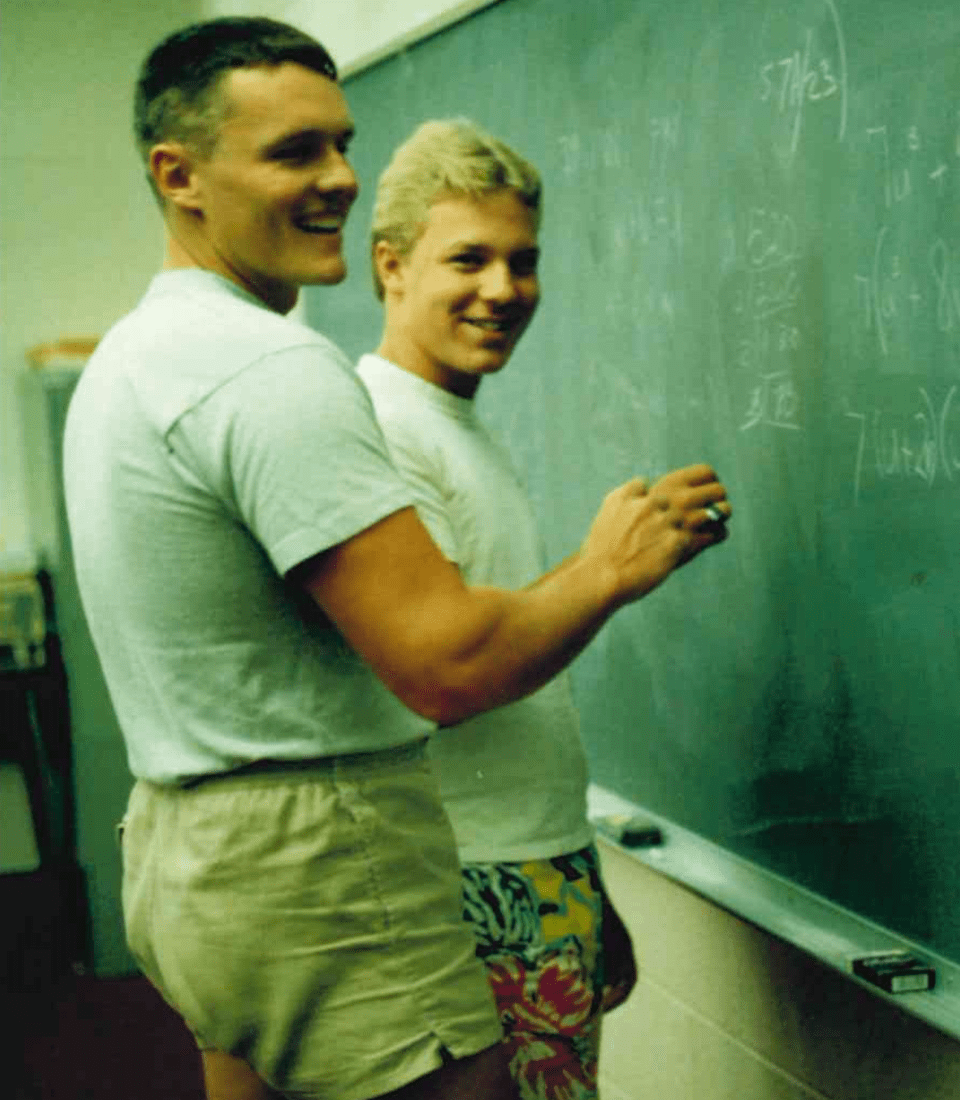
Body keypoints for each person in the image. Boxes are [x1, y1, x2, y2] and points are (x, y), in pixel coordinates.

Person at [62, 17, 730, 1100]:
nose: (336, 177)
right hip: (317, 855)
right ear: (177, 175)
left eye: (339, 143)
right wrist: (606, 566)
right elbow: (443, 665)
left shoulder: (138, 352)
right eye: (292, 153)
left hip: (194, 849)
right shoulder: (270, 367)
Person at [356, 118, 662, 1099]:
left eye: (521, 261)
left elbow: (516, 670)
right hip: (472, 883)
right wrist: (602, 570)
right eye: (469, 258)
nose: (502, 289)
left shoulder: (455, 423)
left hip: (530, 865)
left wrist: (576, 868)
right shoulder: (385, 432)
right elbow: (448, 671)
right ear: (390, 266)